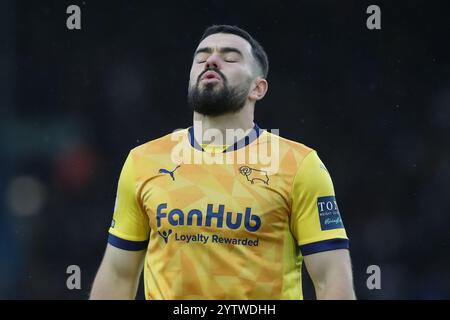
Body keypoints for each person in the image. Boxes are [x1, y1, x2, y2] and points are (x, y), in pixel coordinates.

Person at [90, 25, 355, 300]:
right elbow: (118, 274)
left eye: (230, 58)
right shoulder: (143, 161)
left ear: (258, 88)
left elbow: (330, 278)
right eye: (201, 57)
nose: (212, 61)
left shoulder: (300, 165)